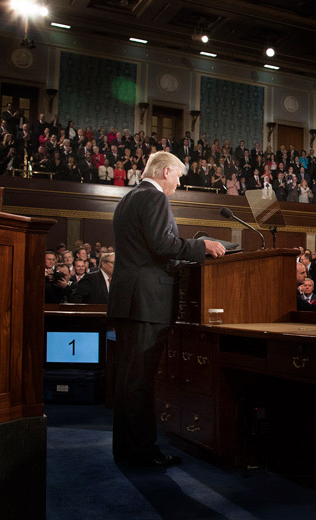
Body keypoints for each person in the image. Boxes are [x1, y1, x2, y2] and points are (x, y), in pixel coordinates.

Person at [107, 151, 225, 467]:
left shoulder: (129, 198)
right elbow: (163, 244)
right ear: (165, 171)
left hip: (129, 299)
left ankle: (127, 450)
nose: (177, 183)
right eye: (178, 177)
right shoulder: (154, 198)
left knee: (129, 381)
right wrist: (203, 246)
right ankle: (142, 454)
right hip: (146, 302)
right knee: (140, 381)